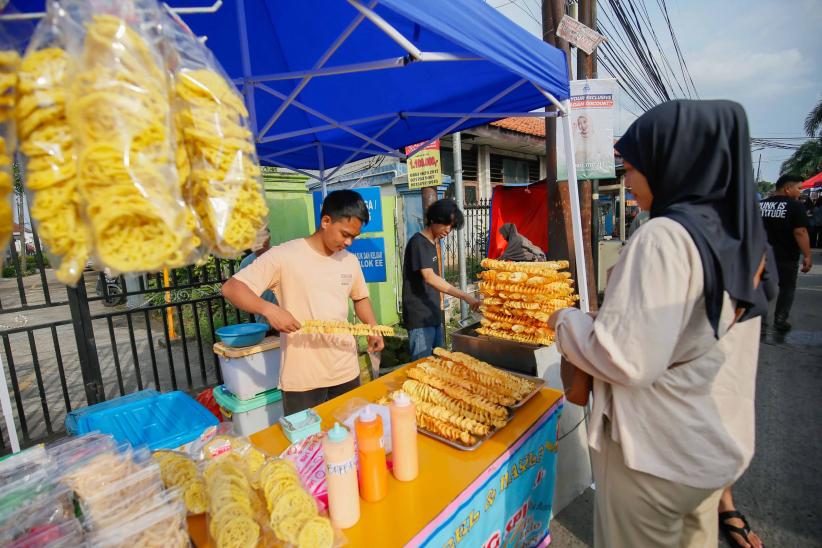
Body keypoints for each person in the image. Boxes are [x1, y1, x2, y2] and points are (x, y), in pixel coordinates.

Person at [548, 100, 769, 547]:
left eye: (631, 170)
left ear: (673, 164)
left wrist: (566, 320)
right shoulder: (739, 235)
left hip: (655, 456)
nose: (626, 184)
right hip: (710, 450)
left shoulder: (664, 237)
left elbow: (625, 359)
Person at [222, 190, 384, 415]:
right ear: (326, 221)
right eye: (345, 234)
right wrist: (269, 309)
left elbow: (360, 297)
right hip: (303, 379)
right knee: (305, 445)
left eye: (353, 237)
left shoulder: (350, 261)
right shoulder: (284, 256)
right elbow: (232, 288)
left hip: (346, 370)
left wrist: (372, 326)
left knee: (349, 437)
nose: (348, 242)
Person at [402, 199, 480, 360]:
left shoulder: (433, 243)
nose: (448, 229)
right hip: (420, 318)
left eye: (451, 226)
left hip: (433, 313)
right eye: (446, 224)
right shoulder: (418, 243)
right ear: (433, 219)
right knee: (422, 368)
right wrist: (465, 296)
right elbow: (430, 277)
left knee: (440, 365)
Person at [759, 174, 812, 331]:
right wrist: (807, 255)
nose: (800, 192)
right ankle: (780, 320)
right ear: (788, 189)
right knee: (787, 288)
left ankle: (760, 322)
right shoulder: (795, 207)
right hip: (786, 258)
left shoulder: (760, 205)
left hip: (761, 256)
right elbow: (800, 232)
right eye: (799, 188)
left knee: (761, 288)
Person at [238, 227, 278, 334]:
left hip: (286, 320)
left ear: (269, 237)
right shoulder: (246, 264)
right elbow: (244, 294)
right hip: (263, 324)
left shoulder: (280, 256)